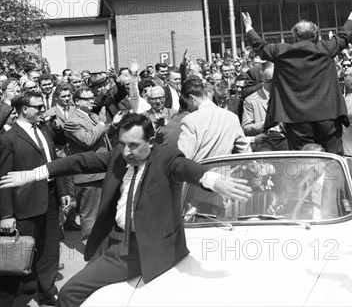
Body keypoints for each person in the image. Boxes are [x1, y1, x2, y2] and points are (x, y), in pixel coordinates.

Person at [0, 113, 252, 307]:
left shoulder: (166, 158)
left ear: (150, 143)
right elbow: (77, 162)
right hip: (112, 241)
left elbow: (187, 168)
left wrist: (216, 181)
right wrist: (35, 174)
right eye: (122, 144)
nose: (126, 152)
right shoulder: (118, 157)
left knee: (69, 292)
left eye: (133, 145)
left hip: (138, 249)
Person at [242, 0, 352, 154]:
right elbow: (343, 35)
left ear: (295, 35)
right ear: (315, 35)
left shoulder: (281, 51)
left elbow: (259, 46)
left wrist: (248, 26)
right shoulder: (325, 48)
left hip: (296, 119)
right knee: (333, 159)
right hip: (328, 116)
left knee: (303, 162)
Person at [0, 92, 70, 307]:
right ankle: (18, 299)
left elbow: (53, 163)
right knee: (22, 254)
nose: (42, 110)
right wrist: (6, 215)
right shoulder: (8, 138)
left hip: (49, 200)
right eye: (37, 107)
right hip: (24, 205)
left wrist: (62, 191)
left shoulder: (45, 131)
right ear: (24, 110)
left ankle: (46, 293)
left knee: (49, 251)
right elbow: (3, 178)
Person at [65, 87, 111, 245]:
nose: (92, 100)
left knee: (103, 213)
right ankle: (90, 250)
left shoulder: (93, 116)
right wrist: (102, 123)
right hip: (88, 175)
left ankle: (101, 247)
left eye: (93, 97)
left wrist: (112, 125)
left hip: (102, 171)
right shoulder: (72, 121)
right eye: (87, 99)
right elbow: (87, 140)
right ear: (77, 102)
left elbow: (102, 137)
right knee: (89, 215)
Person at [178, 78, 250, 161]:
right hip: (224, 172)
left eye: (186, 102)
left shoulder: (190, 120)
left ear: (191, 98)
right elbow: (245, 152)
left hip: (200, 172)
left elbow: (184, 158)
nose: (188, 107)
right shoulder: (232, 117)